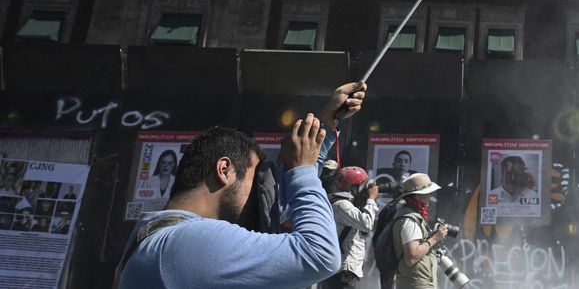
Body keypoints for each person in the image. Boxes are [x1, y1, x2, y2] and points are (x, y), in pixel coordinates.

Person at [116, 81, 367, 289]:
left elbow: (273, 202)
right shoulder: (188, 242)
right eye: (255, 178)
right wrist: (302, 170)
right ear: (224, 170)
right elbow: (320, 254)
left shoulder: (159, 238)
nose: (260, 191)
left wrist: (324, 126)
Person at [389, 173, 451, 289]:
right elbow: (411, 257)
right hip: (415, 284)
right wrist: (435, 237)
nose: (430, 195)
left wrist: (431, 236)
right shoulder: (409, 220)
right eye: (427, 192)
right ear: (417, 196)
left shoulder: (411, 215)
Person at [324, 166, 380, 288]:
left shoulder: (343, 203)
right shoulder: (342, 205)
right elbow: (366, 224)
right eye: (363, 186)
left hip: (343, 271)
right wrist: (371, 200)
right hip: (344, 272)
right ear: (354, 188)